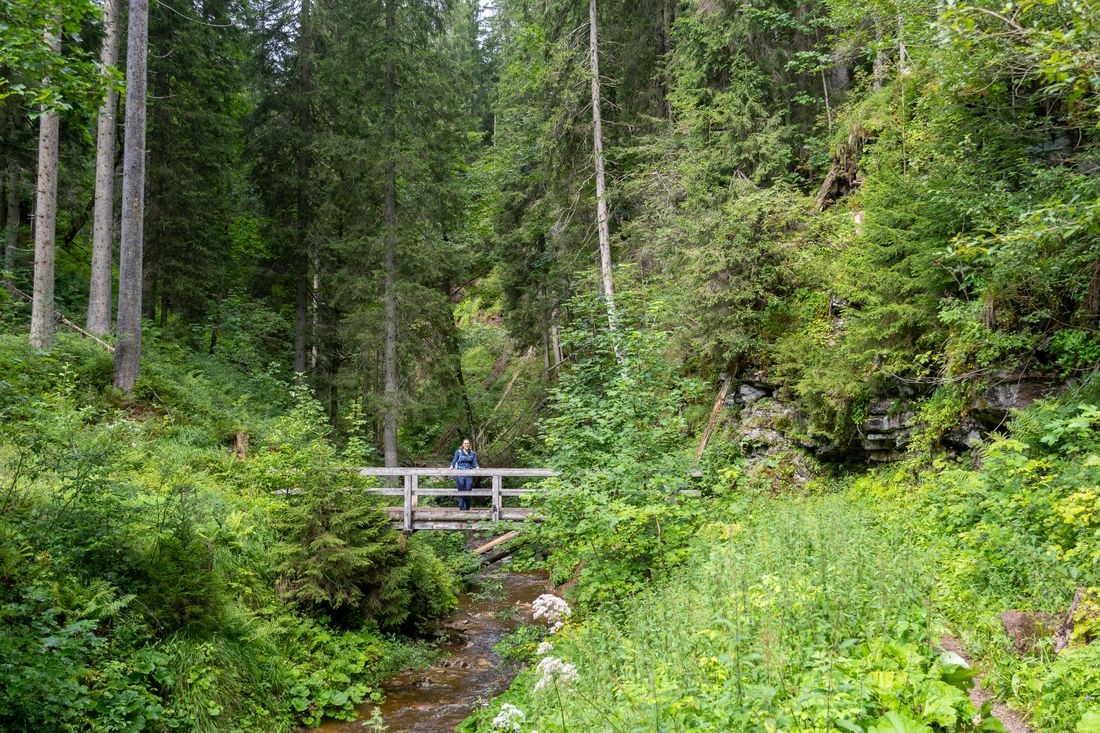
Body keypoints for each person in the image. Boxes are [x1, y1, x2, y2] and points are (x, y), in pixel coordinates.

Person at [449, 438, 479, 510]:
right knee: (461, 490)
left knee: (468, 489)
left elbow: (475, 463)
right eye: (465, 443)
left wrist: (477, 467)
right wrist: (451, 466)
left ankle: (467, 507)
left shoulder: (473, 453)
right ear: (462, 445)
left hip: (469, 473)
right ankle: (461, 508)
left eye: (468, 443)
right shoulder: (458, 452)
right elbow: (454, 460)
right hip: (460, 473)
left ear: (470, 444)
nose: (466, 445)